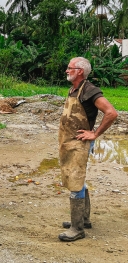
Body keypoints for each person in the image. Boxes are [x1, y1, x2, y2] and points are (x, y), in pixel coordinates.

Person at [58, 57, 118, 242]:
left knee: (76, 181)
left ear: (80, 71)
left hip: (79, 144)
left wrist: (95, 133)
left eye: (70, 68)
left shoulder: (90, 91)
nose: (67, 70)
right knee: (78, 179)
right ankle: (84, 219)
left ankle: (77, 229)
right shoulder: (75, 89)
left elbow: (111, 113)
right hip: (69, 142)